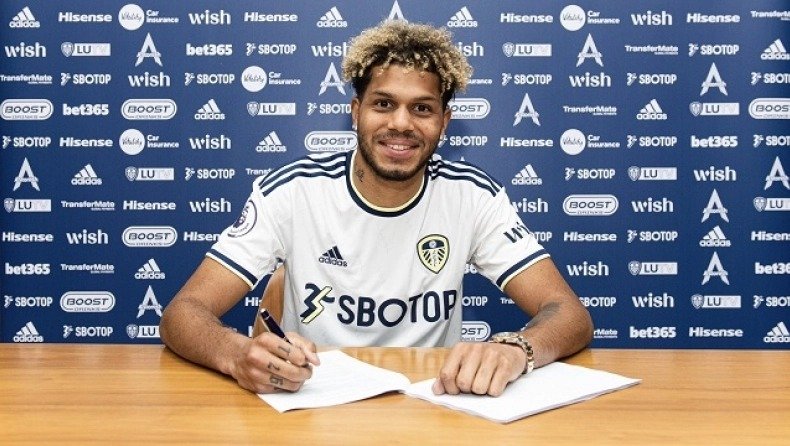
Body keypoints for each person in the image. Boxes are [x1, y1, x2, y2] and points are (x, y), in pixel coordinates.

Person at [160, 20, 593, 397]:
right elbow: (183, 312)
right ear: (356, 112)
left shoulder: (473, 196)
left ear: (444, 122)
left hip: (432, 403)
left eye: (422, 108)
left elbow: (569, 313)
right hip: (311, 404)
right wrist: (237, 353)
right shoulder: (293, 191)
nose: (401, 123)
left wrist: (518, 349)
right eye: (383, 104)